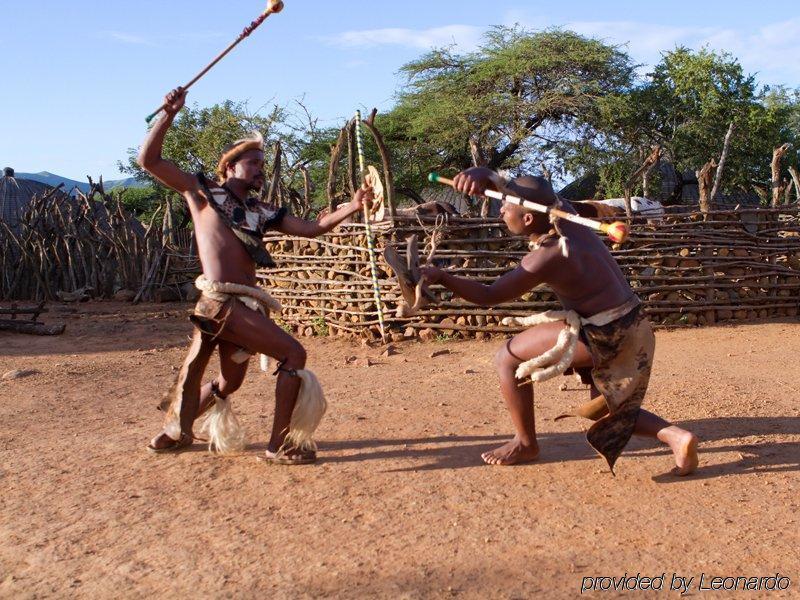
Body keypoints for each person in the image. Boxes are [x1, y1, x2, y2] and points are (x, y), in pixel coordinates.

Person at [139, 87, 373, 464]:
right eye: (253, 164)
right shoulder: (202, 194)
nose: (260, 170)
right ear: (230, 167)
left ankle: (175, 432)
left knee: (229, 382)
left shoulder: (262, 212)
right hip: (220, 304)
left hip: (241, 304)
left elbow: (313, 227)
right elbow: (149, 160)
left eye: (262, 165)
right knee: (294, 353)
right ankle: (278, 445)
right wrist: (168, 115)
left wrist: (353, 207)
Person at [421, 167, 698, 475]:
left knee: (507, 358)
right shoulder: (562, 212)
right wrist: (483, 174)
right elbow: (528, 188)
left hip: (606, 334)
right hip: (635, 325)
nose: (501, 212)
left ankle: (526, 443)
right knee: (604, 410)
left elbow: (490, 295)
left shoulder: (548, 255)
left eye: (506, 208)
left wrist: (442, 276)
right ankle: (677, 437)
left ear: (527, 219)